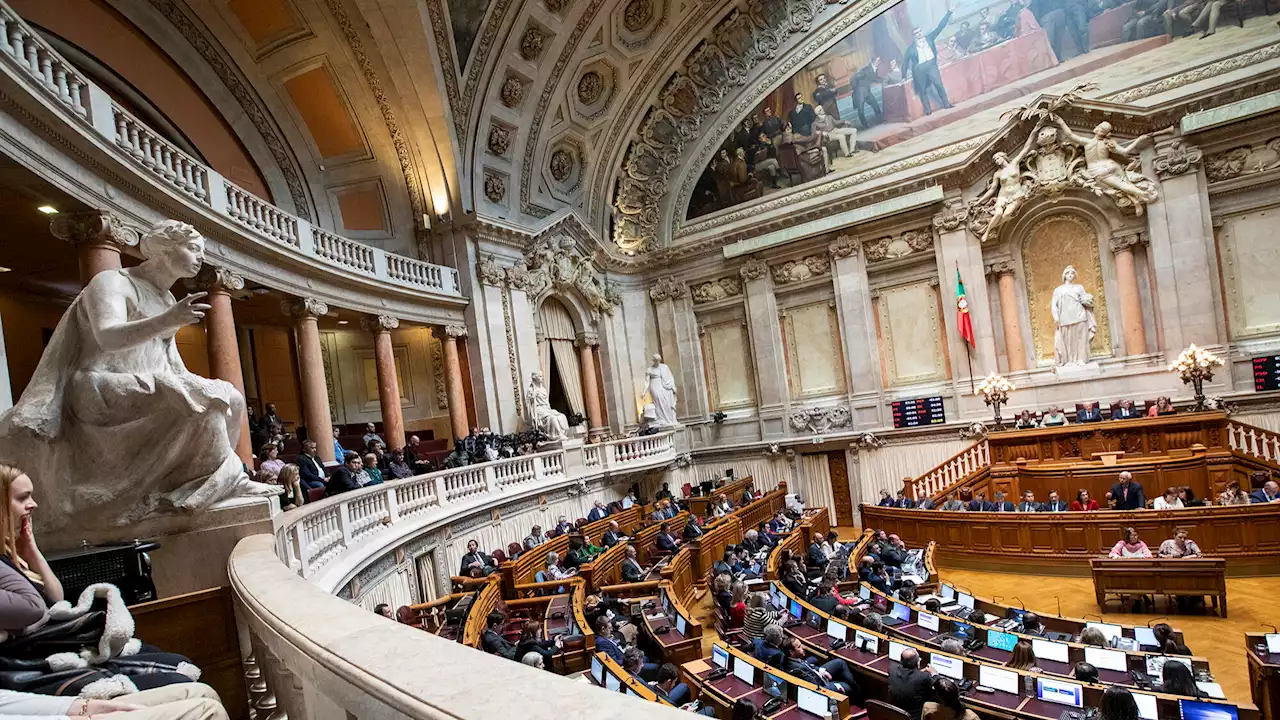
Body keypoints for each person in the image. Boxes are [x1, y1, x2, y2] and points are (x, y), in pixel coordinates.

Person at [902, 11, 954, 115]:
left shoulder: (929, 38)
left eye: (919, 31)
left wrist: (949, 13)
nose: (919, 34)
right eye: (916, 33)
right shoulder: (911, 49)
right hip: (919, 69)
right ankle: (928, 110)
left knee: (939, 84)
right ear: (914, 36)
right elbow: (905, 62)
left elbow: (940, 27)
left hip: (931, 65)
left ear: (921, 32)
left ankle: (946, 104)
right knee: (922, 90)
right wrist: (903, 76)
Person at [783, 638, 861, 699]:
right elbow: (816, 689)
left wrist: (821, 670)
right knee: (847, 687)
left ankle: (855, 687)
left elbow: (808, 665)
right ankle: (857, 695)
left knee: (839, 662)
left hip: (815, 673)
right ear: (792, 652)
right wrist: (837, 687)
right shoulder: (798, 669)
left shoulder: (789, 659)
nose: (803, 647)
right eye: (799, 647)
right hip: (821, 685)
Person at [888, 647, 935, 720]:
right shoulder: (924, 677)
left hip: (895, 714)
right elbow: (936, 686)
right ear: (917, 663)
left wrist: (918, 673)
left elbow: (909, 677)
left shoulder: (892, 669)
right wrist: (934, 674)